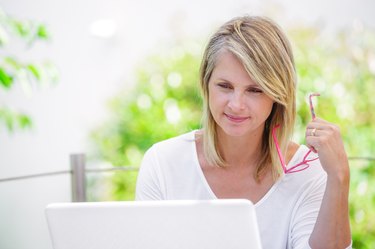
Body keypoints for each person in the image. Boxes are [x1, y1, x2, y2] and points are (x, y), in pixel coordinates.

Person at [135, 15, 351, 248]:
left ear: (278, 95)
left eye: (255, 90)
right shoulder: (163, 163)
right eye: (225, 86)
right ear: (206, 85)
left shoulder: (308, 173)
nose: (236, 104)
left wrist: (339, 177)